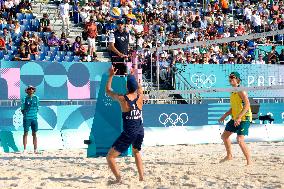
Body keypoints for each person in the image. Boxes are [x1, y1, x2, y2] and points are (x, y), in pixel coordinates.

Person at [105, 66, 144, 183]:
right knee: (136, 151)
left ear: (127, 87)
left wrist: (111, 76)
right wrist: (133, 75)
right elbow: (139, 87)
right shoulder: (141, 96)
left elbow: (107, 91)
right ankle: (141, 177)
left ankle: (118, 179)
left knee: (110, 157)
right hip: (140, 131)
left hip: (130, 132)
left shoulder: (123, 99)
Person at [218, 72, 252, 165]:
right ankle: (229, 156)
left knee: (240, 140)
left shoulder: (241, 90)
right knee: (224, 136)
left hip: (244, 117)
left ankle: (249, 162)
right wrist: (225, 115)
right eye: (230, 78)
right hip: (236, 117)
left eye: (233, 78)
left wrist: (240, 117)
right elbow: (234, 107)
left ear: (237, 79)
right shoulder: (233, 91)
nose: (231, 79)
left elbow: (247, 104)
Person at [21, 85, 40, 154]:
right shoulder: (24, 98)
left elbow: (37, 108)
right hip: (27, 118)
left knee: (34, 133)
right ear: (27, 90)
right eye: (29, 89)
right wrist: (26, 115)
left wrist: (34, 114)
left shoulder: (37, 98)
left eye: (32, 89)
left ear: (34, 90)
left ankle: (35, 149)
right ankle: (25, 149)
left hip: (34, 118)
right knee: (25, 133)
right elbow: (22, 109)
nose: (31, 90)